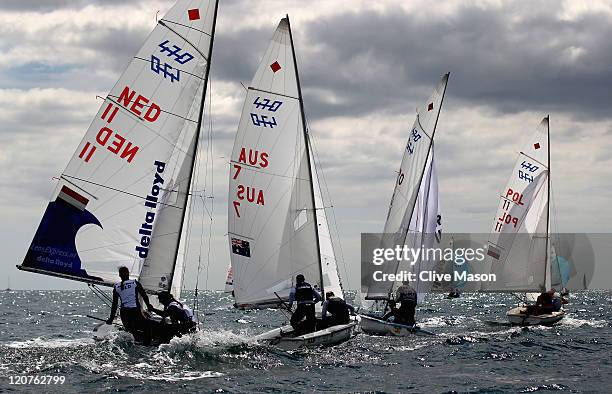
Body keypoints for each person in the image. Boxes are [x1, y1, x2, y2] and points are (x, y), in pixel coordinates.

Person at [106, 266, 153, 344]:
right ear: (128, 273)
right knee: (147, 326)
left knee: (131, 331)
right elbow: (144, 295)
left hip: (124, 313)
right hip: (135, 311)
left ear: (119, 275)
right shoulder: (135, 283)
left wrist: (111, 319)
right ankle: (147, 344)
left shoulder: (116, 287)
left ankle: (135, 343)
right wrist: (149, 306)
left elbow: (114, 304)